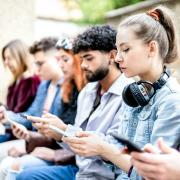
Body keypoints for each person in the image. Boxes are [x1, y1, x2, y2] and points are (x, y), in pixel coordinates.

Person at [57, 6, 180, 180]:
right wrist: (83, 138)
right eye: (117, 50)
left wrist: (104, 149)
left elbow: (150, 174)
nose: (117, 58)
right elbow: (117, 154)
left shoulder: (172, 100)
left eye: (126, 49)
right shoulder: (134, 93)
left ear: (152, 49)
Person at [16, 25, 133, 180]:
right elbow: (77, 144)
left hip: (103, 176)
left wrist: (64, 130)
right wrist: (58, 133)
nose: (83, 65)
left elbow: (112, 148)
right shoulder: (87, 92)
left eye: (89, 58)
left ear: (112, 56)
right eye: (81, 59)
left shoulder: (129, 95)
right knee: (23, 175)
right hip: (79, 170)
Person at [0, 37, 86, 180]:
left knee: (10, 166)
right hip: (40, 142)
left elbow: (63, 131)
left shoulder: (71, 88)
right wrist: (11, 121)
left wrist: (30, 140)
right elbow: (31, 115)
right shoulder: (44, 85)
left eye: (64, 59)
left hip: (57, 149)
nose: (37, 69)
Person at [0, 39, 40, 142]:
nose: (6, 62)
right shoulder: (15, 82)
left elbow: (28, 115)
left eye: (9, 58)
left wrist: (6, 115)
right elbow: (12, 109)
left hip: (23, 136)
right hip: (11, 131)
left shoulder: (31, 81)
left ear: (21, 57)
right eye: (4, 59)